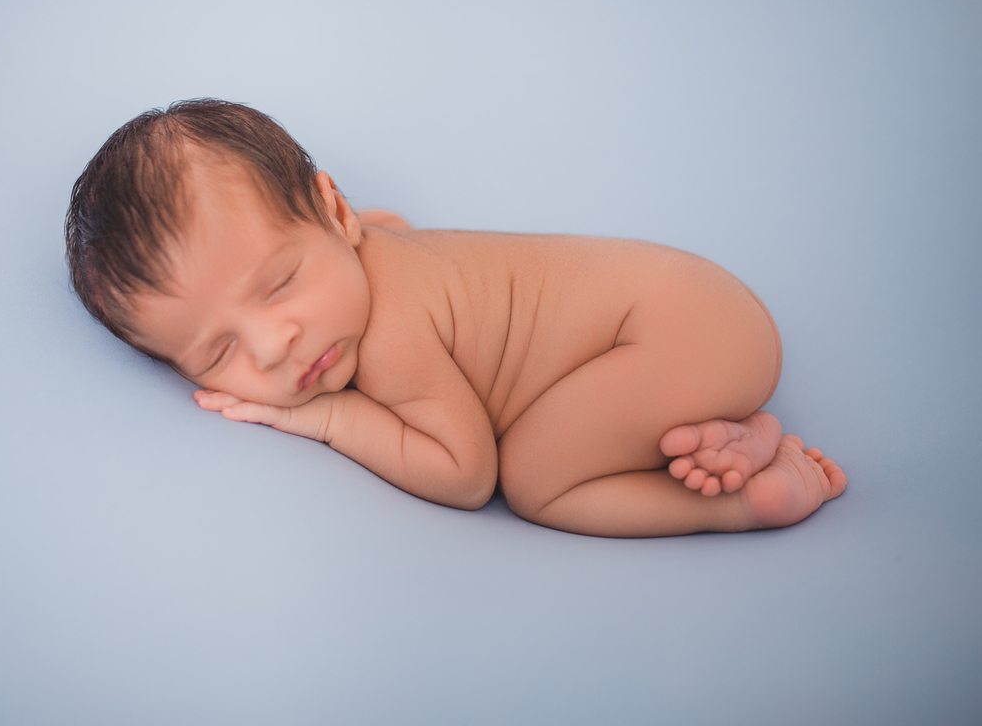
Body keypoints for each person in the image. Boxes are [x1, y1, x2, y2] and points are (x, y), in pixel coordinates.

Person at [65, 99, 846, 538]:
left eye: (278, 287)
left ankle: (758, 499)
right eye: (217, 352)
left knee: (537, 479)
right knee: (577, 424)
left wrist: (333, 419)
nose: (274, 348)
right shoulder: (369, 241)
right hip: (695, 310)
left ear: (335, 212)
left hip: (670, 329)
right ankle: (736, 431)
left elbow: (467, 474)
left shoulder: (395, 333)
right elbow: (393, 221)